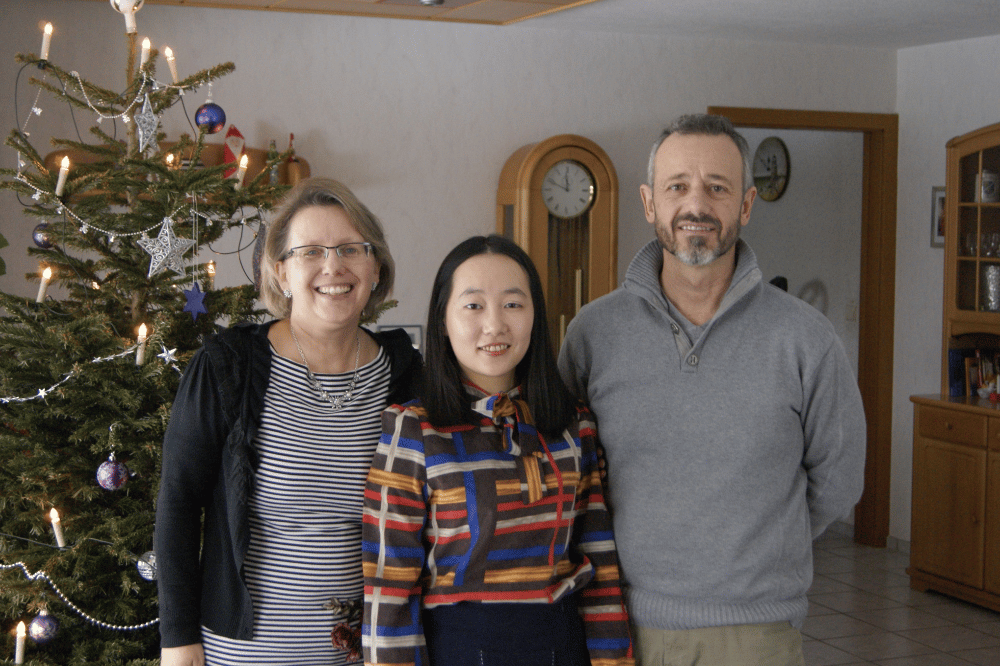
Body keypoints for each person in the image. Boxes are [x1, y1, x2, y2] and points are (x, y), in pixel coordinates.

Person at [558, 114, 867, 666]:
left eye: (717, 188)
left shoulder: (806, 339)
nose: (695, 206)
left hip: (758, 634)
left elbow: (838, 481)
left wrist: (759, 546)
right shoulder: (592, 334)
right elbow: (567, 475)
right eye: (678, 186)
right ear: (650, 204)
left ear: (745, 205)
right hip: (618, 628)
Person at [155, 177, 421, 666]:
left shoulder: (404, 374)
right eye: (310, 252)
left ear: (376, 266)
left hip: (368, 652)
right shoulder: (226, 365)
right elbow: (177, 501)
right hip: (246, 650)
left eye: (351, 249)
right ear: (279, 271)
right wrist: (177, 638)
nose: (333, 267)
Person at [362, 235, 633, 666]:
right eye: (473, 305)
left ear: (534, 317)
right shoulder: (413, 430)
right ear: (443, 321)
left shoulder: (572, 425)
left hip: (562, 647)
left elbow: (599, 563)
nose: (495, 325)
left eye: (513, 304)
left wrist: (614, 660)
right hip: (460, 649)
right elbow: (389, 588)